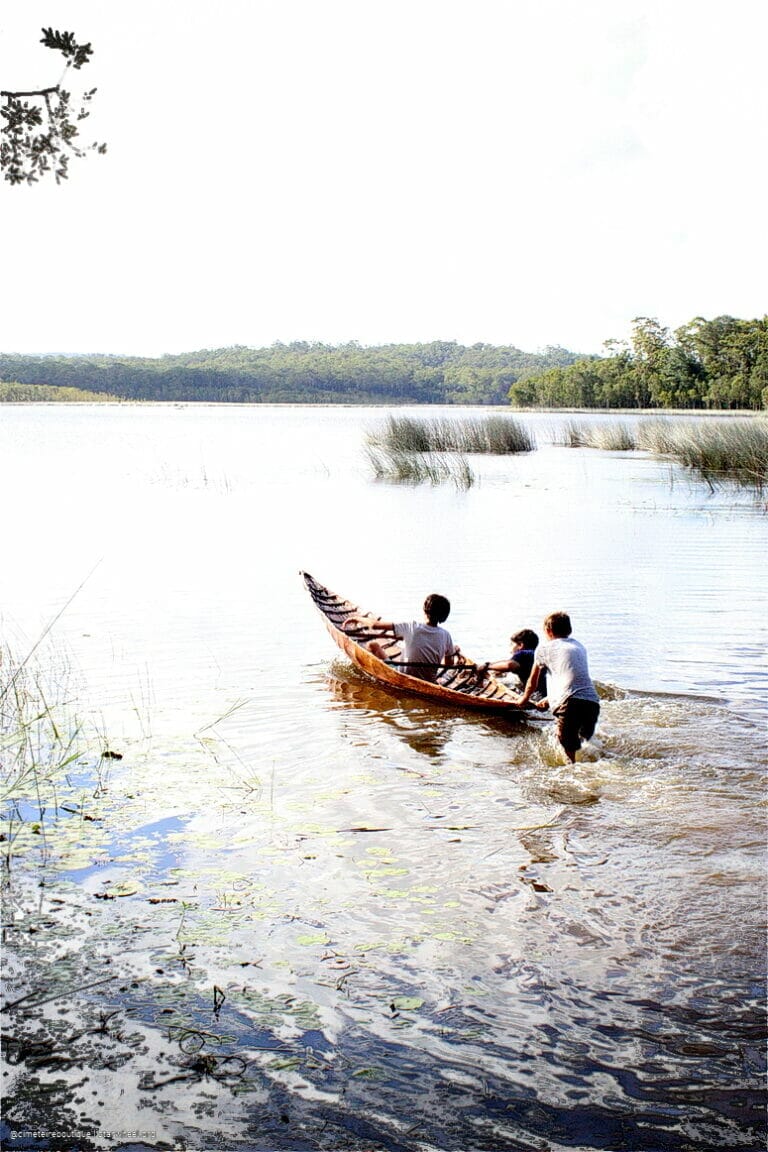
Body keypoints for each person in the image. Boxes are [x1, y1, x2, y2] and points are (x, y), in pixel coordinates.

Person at [517, 611, 599, 763]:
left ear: (548, 631)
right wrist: (549, 699)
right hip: (592, 702)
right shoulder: (579, 646)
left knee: (566, 746)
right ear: (569, 630)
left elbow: (532, 681)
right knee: (581, 741)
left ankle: (573, 773)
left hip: (570, 704)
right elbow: (572, 678)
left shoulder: (544, 649)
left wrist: (523, 699)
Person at [343, 593, 457, 682]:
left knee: (372, 645)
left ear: (424, 610)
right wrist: (451, 652)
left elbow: (374, 625)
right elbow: (449, 664)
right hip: (429, 680)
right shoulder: (446, 635)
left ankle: (369, 673)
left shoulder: (411, 626)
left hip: (402, 675)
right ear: (444, 616)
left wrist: (358, 618)